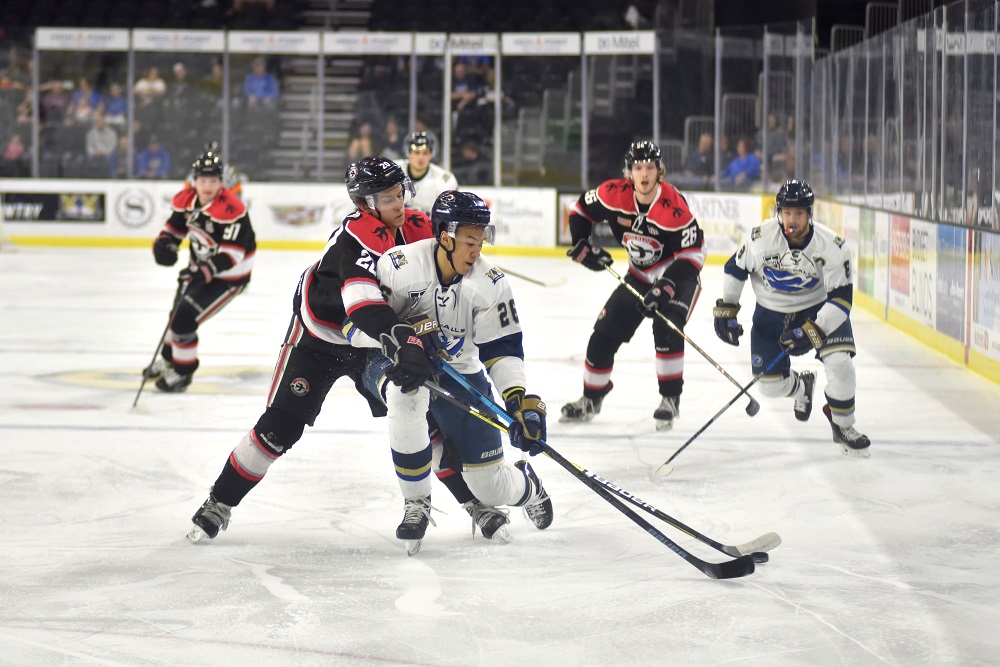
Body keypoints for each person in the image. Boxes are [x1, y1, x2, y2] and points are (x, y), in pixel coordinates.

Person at [184, 156, 434, 543]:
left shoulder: (416, 226)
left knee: (416, 409)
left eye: (400, 193)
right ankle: (220, 501)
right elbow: (364, 304)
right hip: (319, 338)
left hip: (370, 340)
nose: (399, 203)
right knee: (279, 428)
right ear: (365, 204)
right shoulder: (360, 236)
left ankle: (471, 500)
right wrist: (403, 338)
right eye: (388, 198)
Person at [345, 190, 553, 554]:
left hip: (464, 377)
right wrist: (403, 340)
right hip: (396, 364)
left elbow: (501, 348)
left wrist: (517, 399)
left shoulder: (491, 283)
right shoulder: (398, 266)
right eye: (470, 241)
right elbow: (356, 325)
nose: (477, 250)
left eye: (482, 240)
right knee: (405, 396)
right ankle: (416, 503)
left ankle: (527, 486)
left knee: (488, 485)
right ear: (445, 237)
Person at [713, 179, 870, 457]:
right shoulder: (761, 238)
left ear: (810, 214)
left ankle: (844, 425)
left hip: (818, 309)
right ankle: (801, 388)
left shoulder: (832, 246)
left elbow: (842, 298)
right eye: (786, 212)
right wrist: (727, 310)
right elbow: (735, 268)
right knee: (769, 388)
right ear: (779, 212)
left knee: (841, 364)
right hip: (770, 315)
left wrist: (815, 329)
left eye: (798, 213)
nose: (791, 219)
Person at [561, 140, 705, 431]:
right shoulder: (614, 194)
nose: (644, 174)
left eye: (650, 167)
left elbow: (694, 254)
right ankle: (591, 398)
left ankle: (670, 399)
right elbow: (579, 209)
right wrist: (581, 243)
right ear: (628, 171)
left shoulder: (672, 206)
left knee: (666, 328)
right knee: (603, 334)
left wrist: (666, 286)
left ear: (659, 170)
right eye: (638, 167)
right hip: (639, 276)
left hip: (678, 278)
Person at [146, 147, 255, 393]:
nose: (207, 186)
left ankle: (182, 374)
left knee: (184, 319)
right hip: (199, 269)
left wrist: (202, 270)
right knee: (176, 315)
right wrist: (164, 244)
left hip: (229, 278)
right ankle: (169, 360)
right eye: (203, 180)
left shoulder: (232, 210)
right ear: (194, 181)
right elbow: (174, 228)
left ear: (221, 183)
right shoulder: (187, 200)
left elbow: (233, 254)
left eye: (213, 180)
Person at [394, 131, 458, 214]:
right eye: (416, 152)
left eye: (425, 153)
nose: (421, 157)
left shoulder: (444, 180)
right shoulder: (393, 171)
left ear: (431, 154)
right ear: (408, 153)